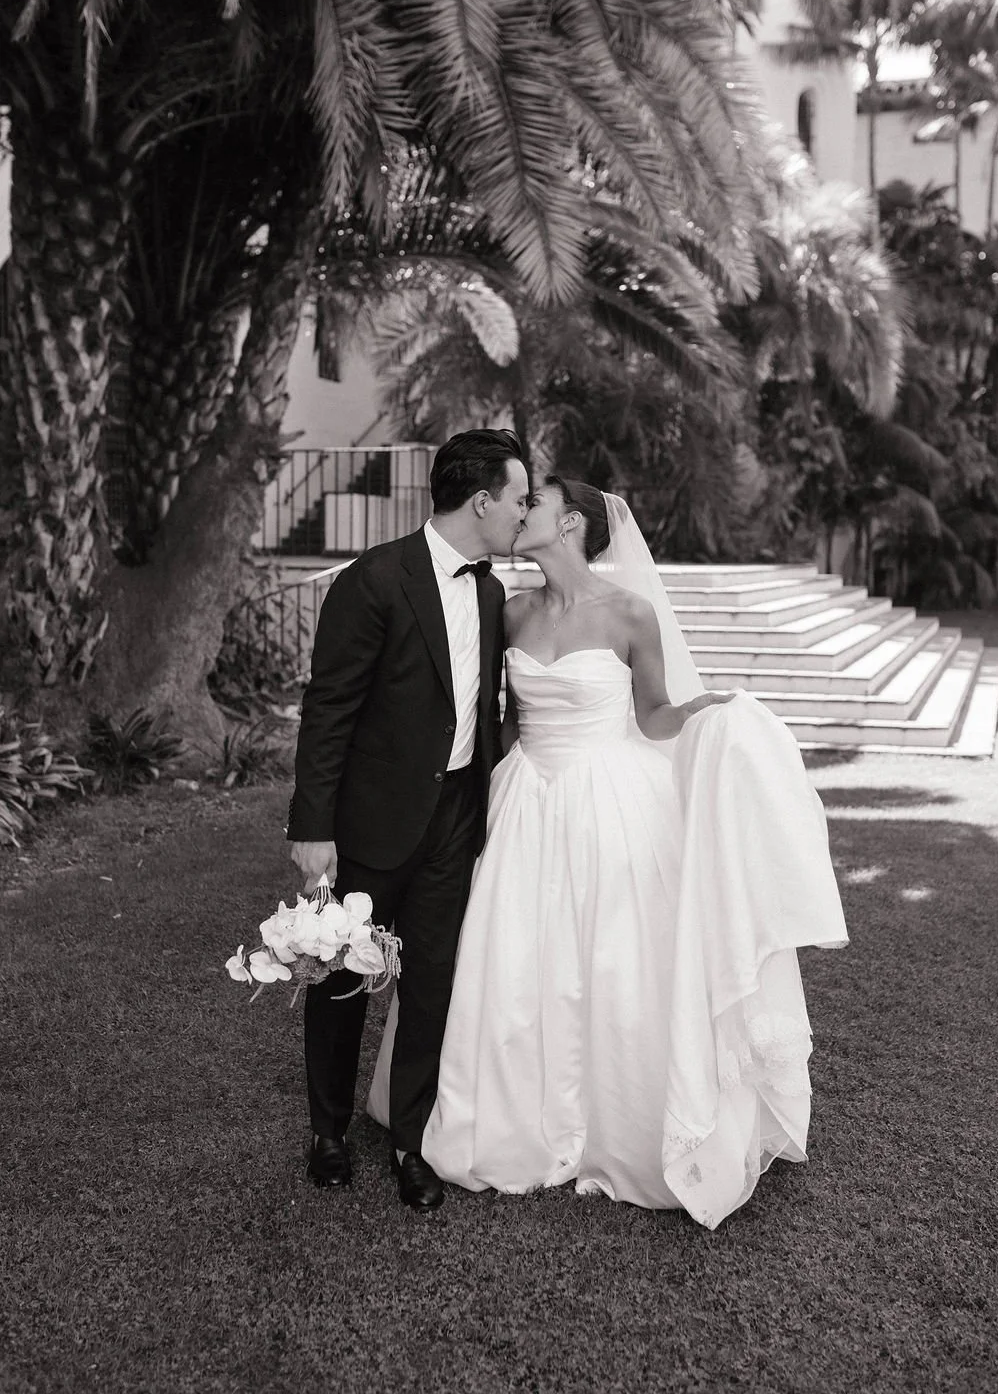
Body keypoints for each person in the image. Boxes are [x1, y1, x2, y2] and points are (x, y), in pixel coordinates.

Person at [367, 477, 848, 1227]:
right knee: (514, 957)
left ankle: (624, 1122)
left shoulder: (630, 612)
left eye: (535, 503)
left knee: (618, 958)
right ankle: (503, 1116)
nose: (520, 512)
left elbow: (653, 714)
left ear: (571, 523)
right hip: (524, 800)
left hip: (610, 798)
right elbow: (473, 701)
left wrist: (704, 713)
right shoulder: (510, 610)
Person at [287, 428, 530, 1210]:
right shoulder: (375, 578)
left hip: (458, 813)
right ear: (482, 501)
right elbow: (329, 710)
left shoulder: (492, 593)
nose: (523, 514)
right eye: (519, 501)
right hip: (373, 820)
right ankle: (327, 1132)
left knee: (433, 981)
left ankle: (410, 1141)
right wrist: (312, 828)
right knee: (342, 979)